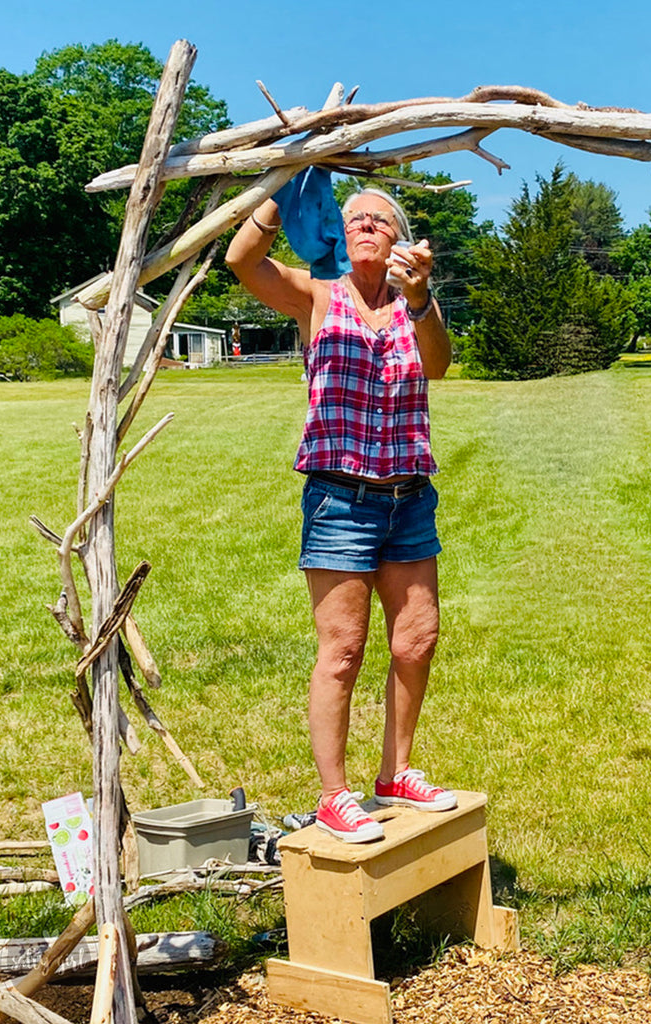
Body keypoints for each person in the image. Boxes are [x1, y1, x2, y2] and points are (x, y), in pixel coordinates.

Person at [226, 186, 455, 843]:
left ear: (399, 239)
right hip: (340, 499)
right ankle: (334, 795)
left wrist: (419, 298)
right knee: (343, 651)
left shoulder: (416, 304)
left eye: (378, 219)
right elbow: (243, 259)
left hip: (409, 497)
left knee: (416, 641)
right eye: (353, 217)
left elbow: (437, 364)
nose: (363, 225)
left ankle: (396, 772)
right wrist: (286, 182)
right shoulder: (318, 294)